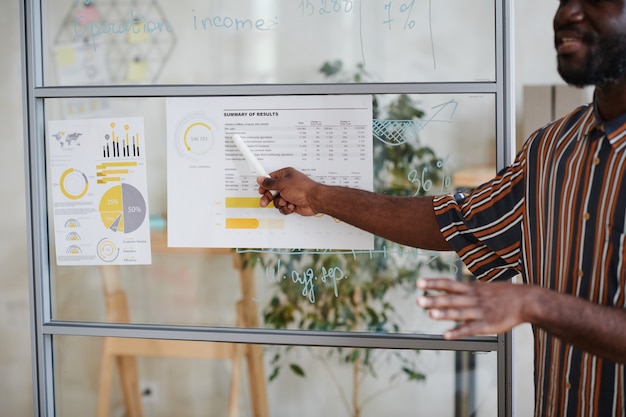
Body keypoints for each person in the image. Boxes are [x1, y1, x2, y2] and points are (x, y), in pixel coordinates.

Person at [256, 1, 626, 416]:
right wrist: (318, 195)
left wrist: (534, 303)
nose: (568, 13)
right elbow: (454, 221)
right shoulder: (553, 149)